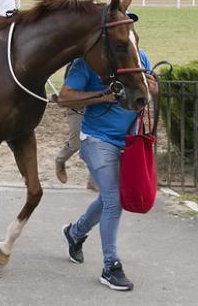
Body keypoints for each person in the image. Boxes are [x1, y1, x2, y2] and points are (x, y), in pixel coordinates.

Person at [57, 48, 158, 292]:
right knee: (114, 200)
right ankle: (110, 266)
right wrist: (104, 95)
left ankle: (75, 232)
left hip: (129, 141)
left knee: (108, 197)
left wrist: (153, 86)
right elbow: (64, 98)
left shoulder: (139, 57)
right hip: (96, 139)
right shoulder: (86, 62)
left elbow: (152, 91)